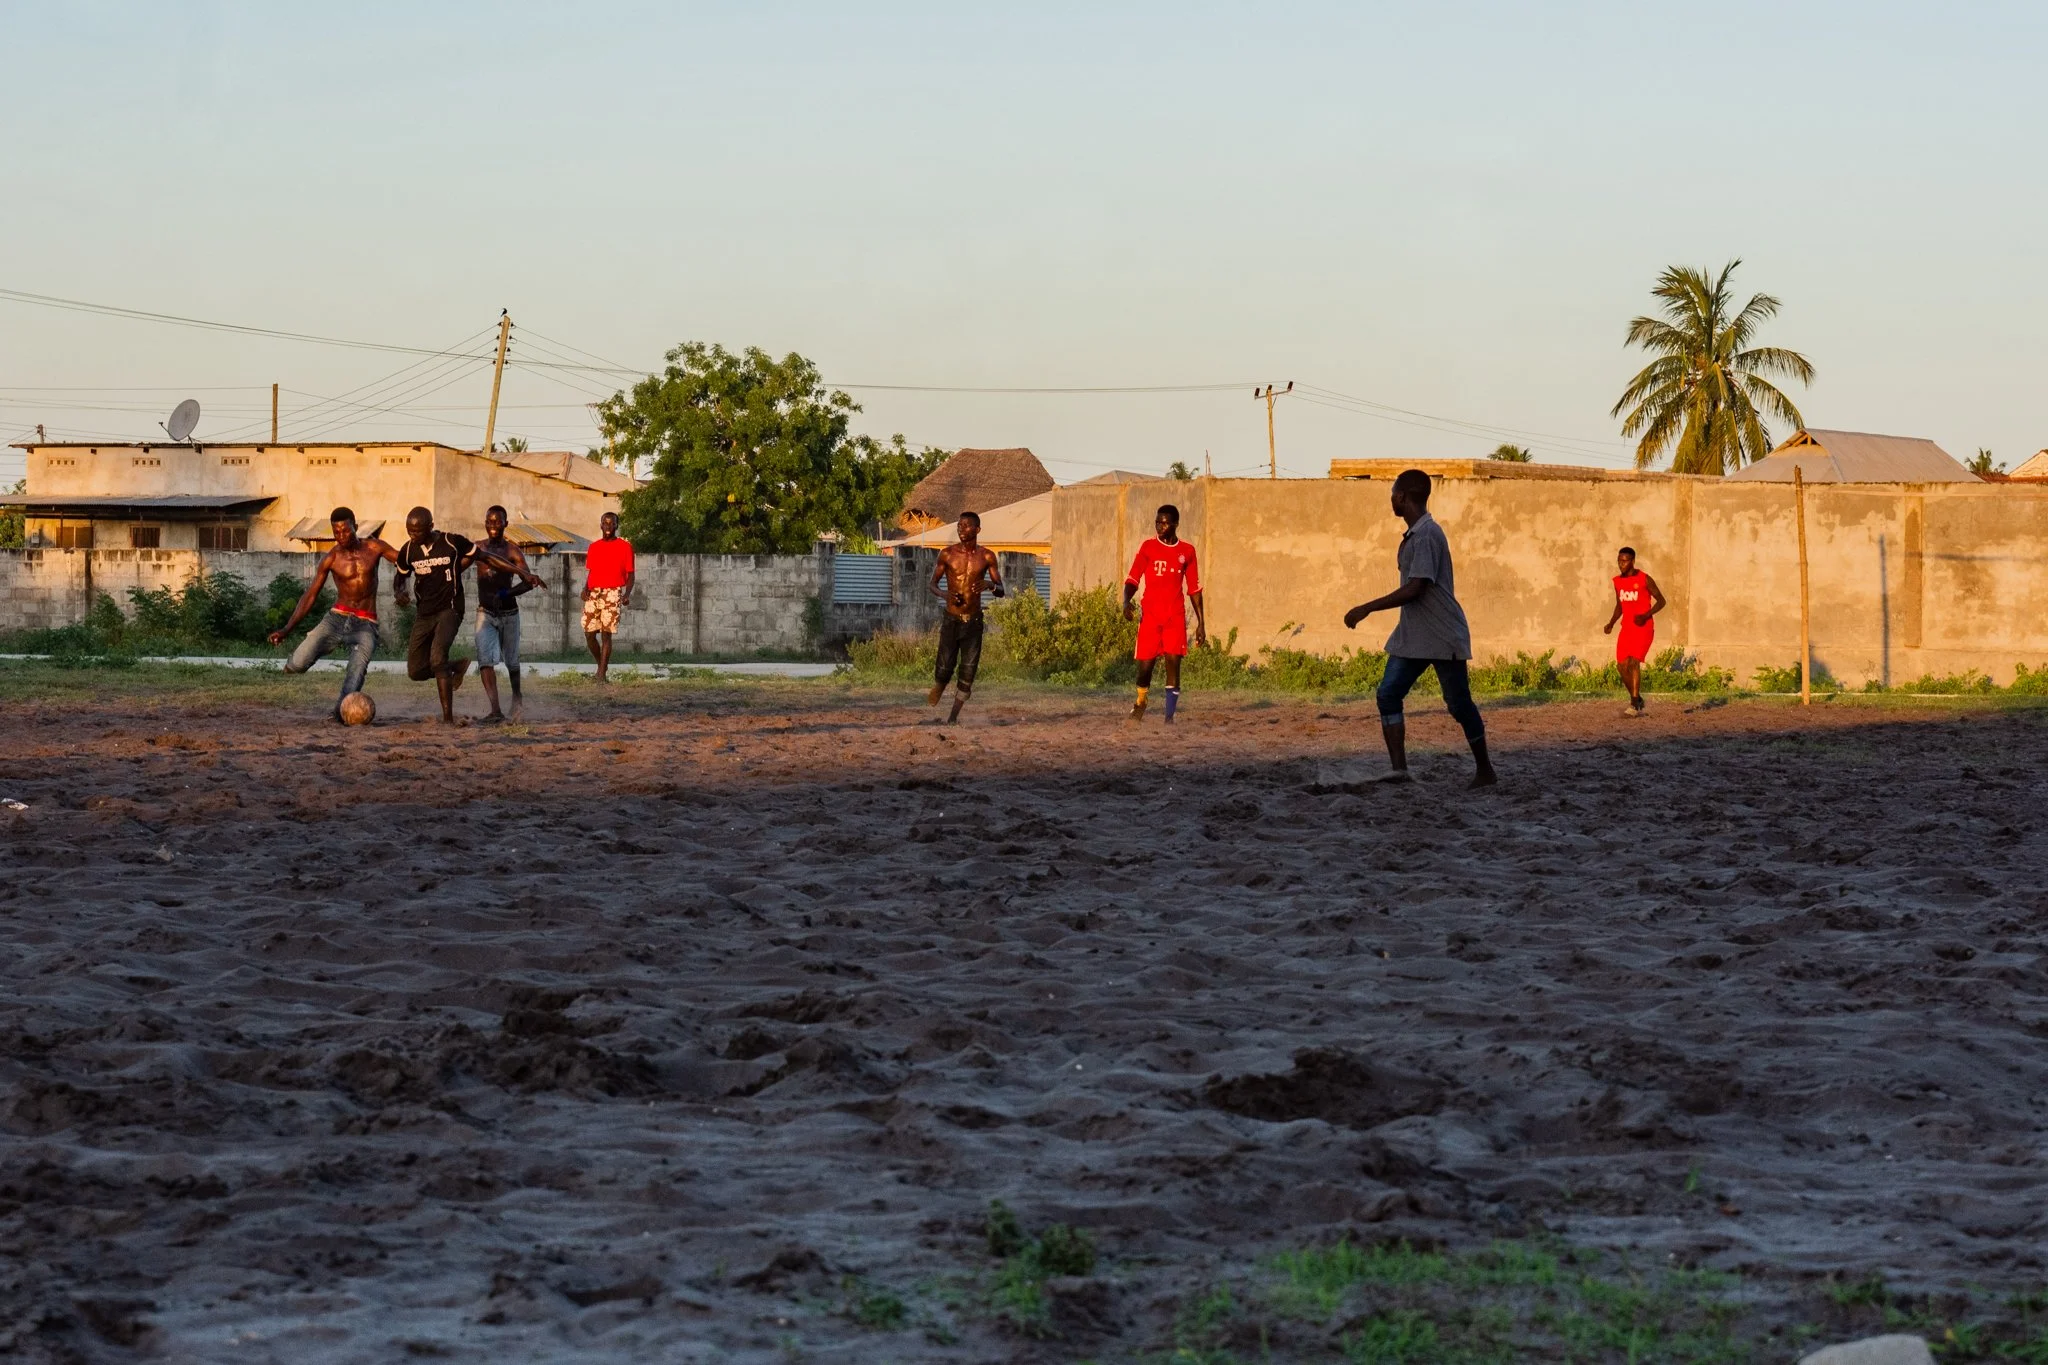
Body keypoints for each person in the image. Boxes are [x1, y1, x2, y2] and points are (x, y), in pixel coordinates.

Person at [1343, 469, 1497, 787]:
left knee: (1458, 704)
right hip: (1415, 635)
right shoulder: (1418, 533)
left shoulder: (1426, 535)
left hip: (1442, 634)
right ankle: (1399, 771)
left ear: (1402, 497)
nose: (1391, 499)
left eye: (1393, 494)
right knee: (1388, 694)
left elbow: (1417, 588)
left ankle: (1485, 770)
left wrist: (1367, 607)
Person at [395, 506, 536, 724]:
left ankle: (451, 719)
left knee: (506, 661)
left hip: (457, 609)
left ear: (431, 527)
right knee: (416, 670)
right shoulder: (408, 550)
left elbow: (488, 558)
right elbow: (401, 576)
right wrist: (400, 591)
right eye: (409, 531)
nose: (412, 535)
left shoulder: (455, 542)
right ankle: (458, 669)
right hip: (437, 613)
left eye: (417, 531)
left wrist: (520, 574)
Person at [268, 507, 401, 720]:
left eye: (345, 531)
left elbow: (403, 562)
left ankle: (341, 713)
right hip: (336, 618)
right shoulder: (331, 559)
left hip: (366, 623)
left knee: (357, 670)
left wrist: (400, 586)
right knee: (298, 663)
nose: (341, 536)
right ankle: (291, 666)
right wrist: (286, 629)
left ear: (355, 527)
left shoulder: (374, 547)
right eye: (336, 532)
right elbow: (310, 596)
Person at [1121, 503, 1206, 722]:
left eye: (1164, 522)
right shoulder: (1148, 547)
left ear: (1175, 524)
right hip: (1150, 616)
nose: (1160, 526)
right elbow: (1132, 579)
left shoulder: (1187, 552)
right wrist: (1126, 601)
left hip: (1174, 616)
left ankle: (1169, 717)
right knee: (1145, 667)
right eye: (1157, 522)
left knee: (1173, 662)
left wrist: (1201, 624)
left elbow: (1194, 590)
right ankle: (1141, 701)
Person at [926, 510, 1004, 723]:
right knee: (944, 667)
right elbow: (932, 583)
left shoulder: (987, 556)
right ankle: (940, 686)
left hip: (974, 621)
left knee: (968, 671)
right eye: (959, 525)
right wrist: (944, 594)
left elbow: (1001, 590)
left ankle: (952, 718)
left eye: (966, 525)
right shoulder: (947, 554)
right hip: (951, 618)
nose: (961, 528)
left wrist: (989, 585)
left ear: (977, 530)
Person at [474, 505, 546, 723]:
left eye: (498, 521)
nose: (493, 525)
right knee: (485, 661)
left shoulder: (513, 551)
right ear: (485, 524)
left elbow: (528, 582)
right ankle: (495, 709)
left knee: (512, 662)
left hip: (509, 614)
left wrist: (505, 593)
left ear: (506, 524)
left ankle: (517, 696)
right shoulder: (477, 548)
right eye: (489, 521)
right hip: (485, 613)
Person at [1603, 545, 1667, 718]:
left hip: (1643, 627)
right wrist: (1611, 623)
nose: (1621, 564)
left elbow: (1662, 601)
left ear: (1632, 561)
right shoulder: (1617, 581)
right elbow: (1619, 605)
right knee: (1621, 666)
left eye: (1624, 561)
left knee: (1633, 662)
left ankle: (1633, 705)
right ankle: (1637, 698)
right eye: (1619, 560)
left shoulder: (1644, 579)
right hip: (1627, 628)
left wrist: (1646, 615)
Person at [582, 511, 635, 682]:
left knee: (606, 634)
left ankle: (601, 675)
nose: (608, 527)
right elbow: (591, 572)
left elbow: (631, 574)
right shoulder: (594, 547)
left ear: (616, 526)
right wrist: (585, 588)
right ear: (600, 525)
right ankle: (601, 666)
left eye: (611, 523)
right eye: (605, 523)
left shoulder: (625, 547)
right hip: (594, 592)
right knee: (589, 633)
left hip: (613, 592)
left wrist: (627, 594)